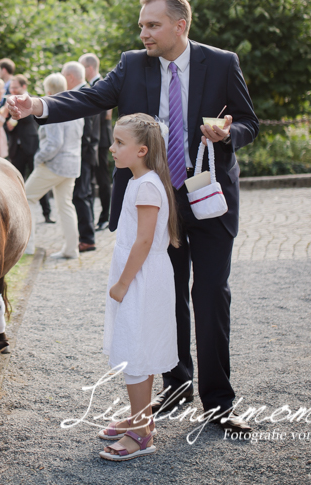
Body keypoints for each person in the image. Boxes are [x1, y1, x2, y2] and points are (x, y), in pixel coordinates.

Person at [9, 0, 258, 430]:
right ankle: (176, 386)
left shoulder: (221, 63)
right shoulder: (131, 64)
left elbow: (249, 122)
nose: (143, 33)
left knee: (210, 294)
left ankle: (219, 404)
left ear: (180, 26)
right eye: (142, 25)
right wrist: (39, 106)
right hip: (157, 203)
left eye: (152, 25)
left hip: (209, 196)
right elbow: (90, 96)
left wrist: (227, 133)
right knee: (168, 293)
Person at [98, 114, 180, 461]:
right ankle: (139, 417)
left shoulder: (146, 185)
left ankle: (142, 433)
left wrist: (122, 282)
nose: (112, 148)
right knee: (137, 347)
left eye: (119, 143)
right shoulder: (138, 180)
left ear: (142, 150)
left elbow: (145, 241)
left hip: (141, 278)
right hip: (138, 274)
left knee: (134, 349)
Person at [23, 74, 83, 259]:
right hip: (72, 164)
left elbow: (54, 143)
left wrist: (38, 158)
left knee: (26, 198)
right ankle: (71, 249)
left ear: (48, 91)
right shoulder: (75, 106)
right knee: (65, 205)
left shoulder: (52, 108)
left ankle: (27, 247)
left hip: (54, 164)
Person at [62, 61, 100, 252]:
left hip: (83, 155)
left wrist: (80, 154)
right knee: (84, 195)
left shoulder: (82, 94)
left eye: (63, 76)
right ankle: (87, 235)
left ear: (70, 77)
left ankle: (87, 238)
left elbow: (86, 131)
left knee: (80, 196)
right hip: (87, 153)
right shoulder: (86, 91)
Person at [4, 75, 53, 223]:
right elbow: (6, 126)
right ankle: (16, 214)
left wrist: (13, 119)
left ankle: (47, 213)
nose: (12, 90)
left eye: (15, 88)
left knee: (37, 177)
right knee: (15, 180)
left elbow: (28, 119)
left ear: (23, 87)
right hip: (16, 148)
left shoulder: (32, 101)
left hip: (31, 146)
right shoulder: (9, 103)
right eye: (11, 88)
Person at [80, 53, 113, 230]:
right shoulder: (88, 86)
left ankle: (105, 216)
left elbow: (107, 115)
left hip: (101, 140)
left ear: (90, 68)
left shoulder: (102, 84)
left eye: (82, 66)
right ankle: (92, 217)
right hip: (93, 139)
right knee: (91, 179)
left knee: (102, 178)